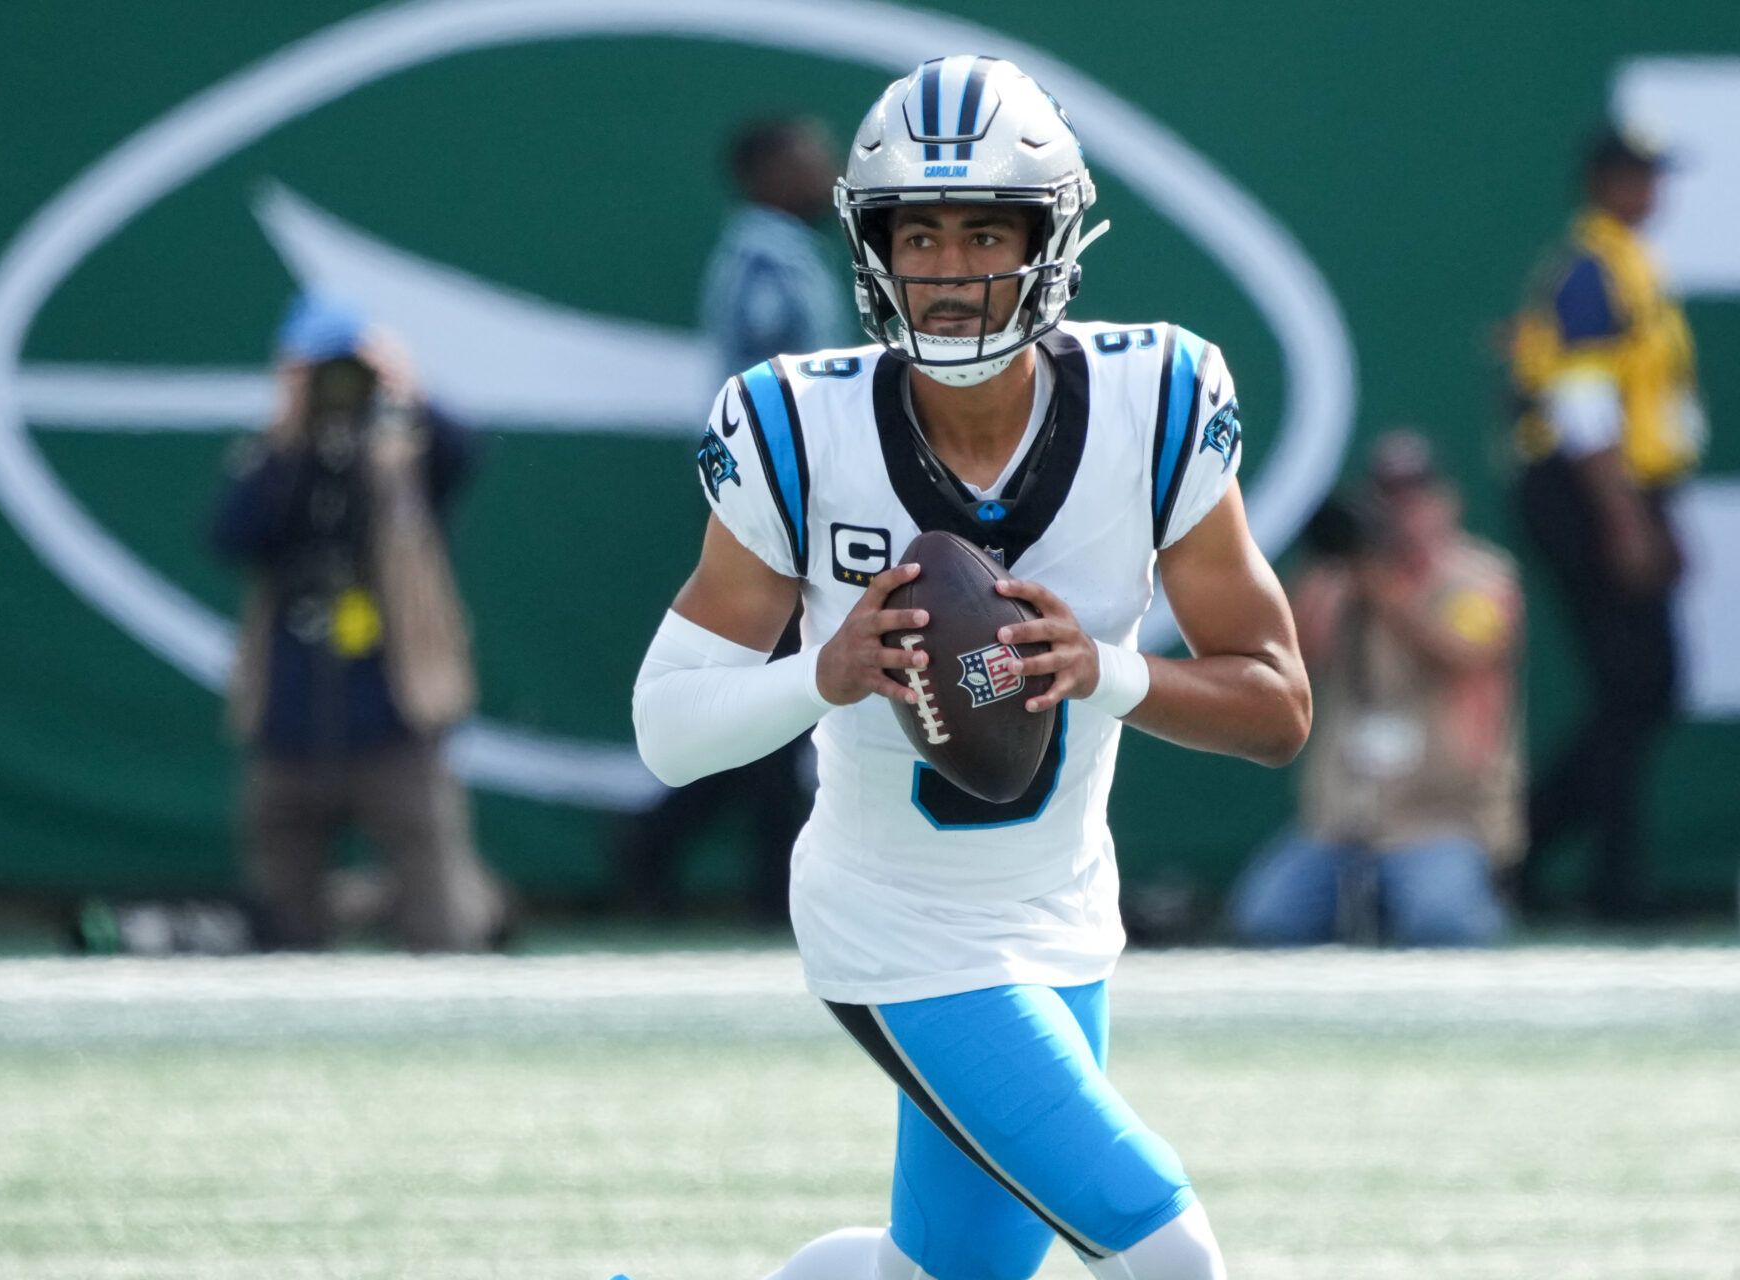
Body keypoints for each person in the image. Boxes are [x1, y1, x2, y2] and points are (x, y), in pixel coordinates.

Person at [632, 57, 1309, 1280]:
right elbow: (668, 730)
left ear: (1053, 238)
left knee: (945, 1277)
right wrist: (824, 673)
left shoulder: (1157, 396)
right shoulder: (797, 423)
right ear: (870, 246)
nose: (948, 271)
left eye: (986, 230)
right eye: (919, 234)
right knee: (1165, 1251)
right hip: (893, 923)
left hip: (1060, 916)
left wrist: (1105, 669)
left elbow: (1277, 706)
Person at [211, 293, 509, 953]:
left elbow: (464, 452)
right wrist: (287, 431)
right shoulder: (276, 461)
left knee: (443, 929)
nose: (335, 388)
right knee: (282, 927)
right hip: (291, 716)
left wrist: (404, 384)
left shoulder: (405, 457)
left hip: (393, 712)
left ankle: (468, 903)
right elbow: (230, 535)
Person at [614, 117, 847, 926]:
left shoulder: (774, 255)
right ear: (764, 173)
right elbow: (773, 400)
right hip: (775, 506)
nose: (827, 172)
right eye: (808, 158)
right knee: (781, 695)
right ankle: (717, 867)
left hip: (783, 502)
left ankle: (667, 847)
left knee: (781, 698)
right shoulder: (765, 263)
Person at [1509, 123, 1707, 921]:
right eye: (1636, 175)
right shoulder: (1593, 269)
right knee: (1635, 684)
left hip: (1618, 490)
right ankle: (1603, 881)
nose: (1651, 189)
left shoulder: (1626, 264)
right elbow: (1585, 408)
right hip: (1586, 490)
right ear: (1601, 181)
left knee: (1640, 688)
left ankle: (1533, 849)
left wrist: (1656, 515)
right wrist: (1626, 521)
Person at [1230, 432, 1521, 948]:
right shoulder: (1342, 579)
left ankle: (1476, 894)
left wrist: (1382, 585)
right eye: (1391, 499)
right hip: (1342, 824)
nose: (1406, 513)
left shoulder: (1480, 576)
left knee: (1444, 927)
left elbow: (1462, 650)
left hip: (1438, 820)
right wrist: (1334, 569)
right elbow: (1296, 660)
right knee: (1266, 918)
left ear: (1446, 502)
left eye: (1417, 497)